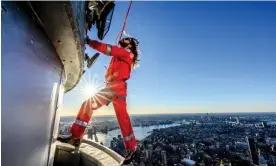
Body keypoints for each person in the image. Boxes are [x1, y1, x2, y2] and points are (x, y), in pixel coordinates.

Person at [61, 36, 140, 164]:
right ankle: (75, 137)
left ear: (130, 45)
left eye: (126, 39)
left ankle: (132, 148)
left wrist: (90, 42)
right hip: (112, 87)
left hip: (117, 87)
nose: (123, 39)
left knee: (122, 117)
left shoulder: (126, 53)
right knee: (89, 105)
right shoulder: (122, 55)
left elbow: (108, 49)